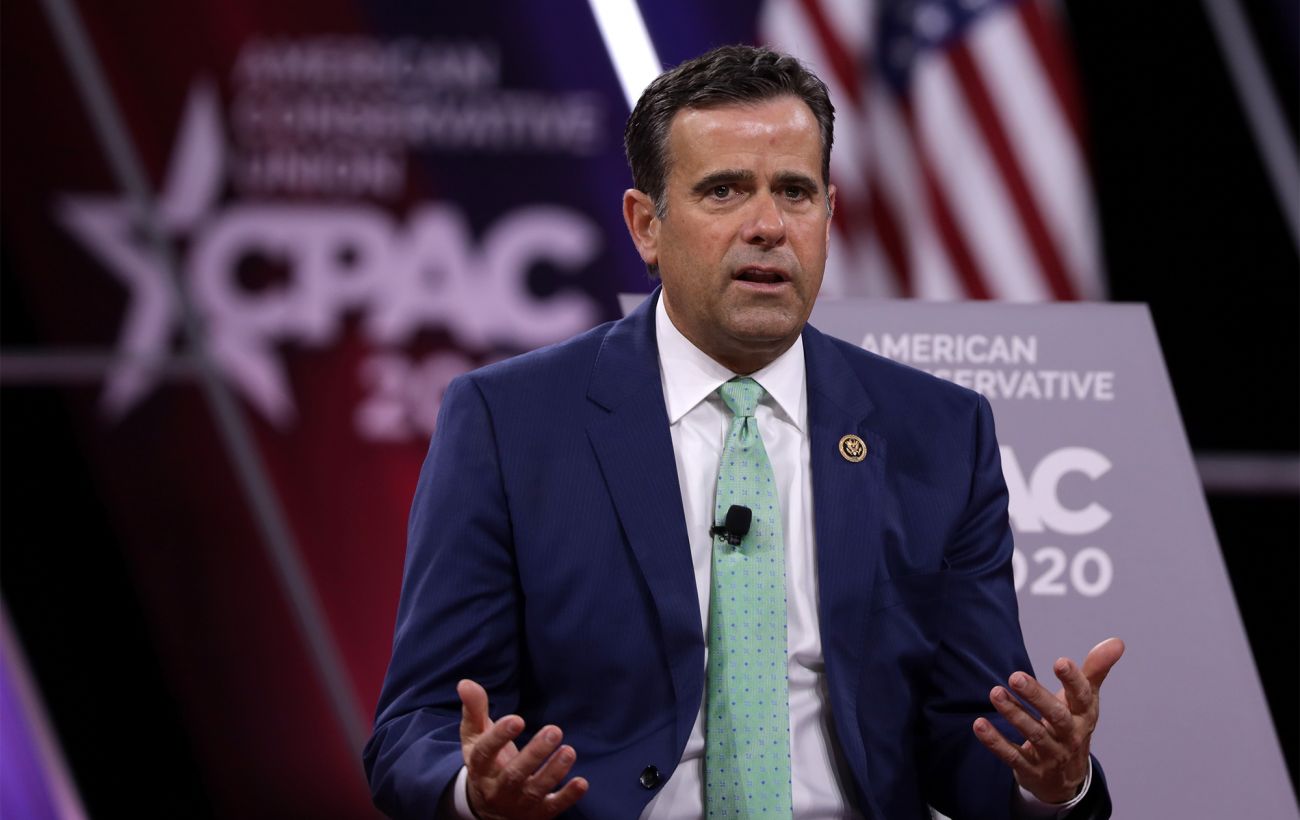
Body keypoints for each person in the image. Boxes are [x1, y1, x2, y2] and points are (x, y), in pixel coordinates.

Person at [363, 45, 1123, 819]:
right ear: (646, 226)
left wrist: (1047, 780)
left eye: (794, 192)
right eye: (723, 190)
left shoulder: (939, 431)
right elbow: (417, 726)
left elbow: (969, 733)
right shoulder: (511, 422)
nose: (767, 226)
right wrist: (478, 790)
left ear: (828, 214)